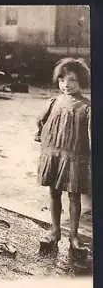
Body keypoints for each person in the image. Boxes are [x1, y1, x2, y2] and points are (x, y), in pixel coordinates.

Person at [36, 58, 91, 255]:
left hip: (74, 156)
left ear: (81, 81)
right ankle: (55, 230)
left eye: (72, 80)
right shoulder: (53, 102)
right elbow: (42, 124)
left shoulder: (86, 107)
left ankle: (74, 236)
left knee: (74, 195)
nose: (66, 84)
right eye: (61, 80)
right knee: (53, 192)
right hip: (54, 153)